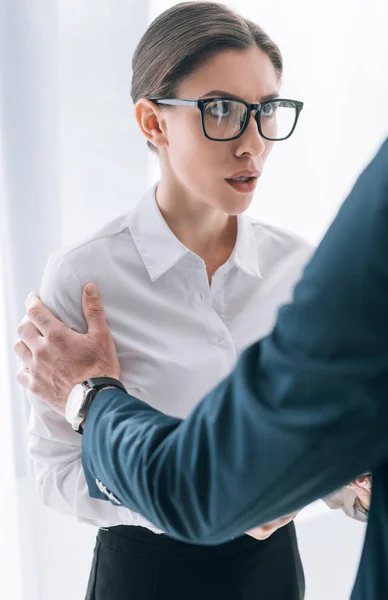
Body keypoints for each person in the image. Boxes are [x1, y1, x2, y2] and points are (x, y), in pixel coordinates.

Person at [14, 2, 370, 599]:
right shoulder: (86, 276)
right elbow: (55, 472)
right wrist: (191, 506)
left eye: (266, 111)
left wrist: (340, 482)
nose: (253, 143)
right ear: (153, 123)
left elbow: (320, 439)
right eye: (223, 111)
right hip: (146, 575)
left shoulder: (301, 269)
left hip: (273, 574)